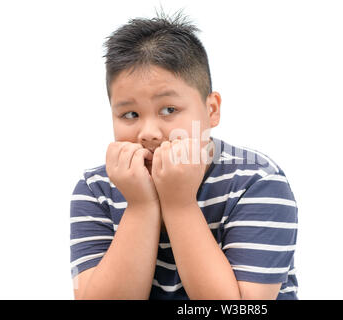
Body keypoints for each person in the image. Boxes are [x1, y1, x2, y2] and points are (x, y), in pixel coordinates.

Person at [70, 8, 298, 300]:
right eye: (130, 114)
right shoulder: (95, 189)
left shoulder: (258, 182)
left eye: (169, 110)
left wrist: (179, 203)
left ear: (211, 110)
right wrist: (140, 206)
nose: (148, 132)